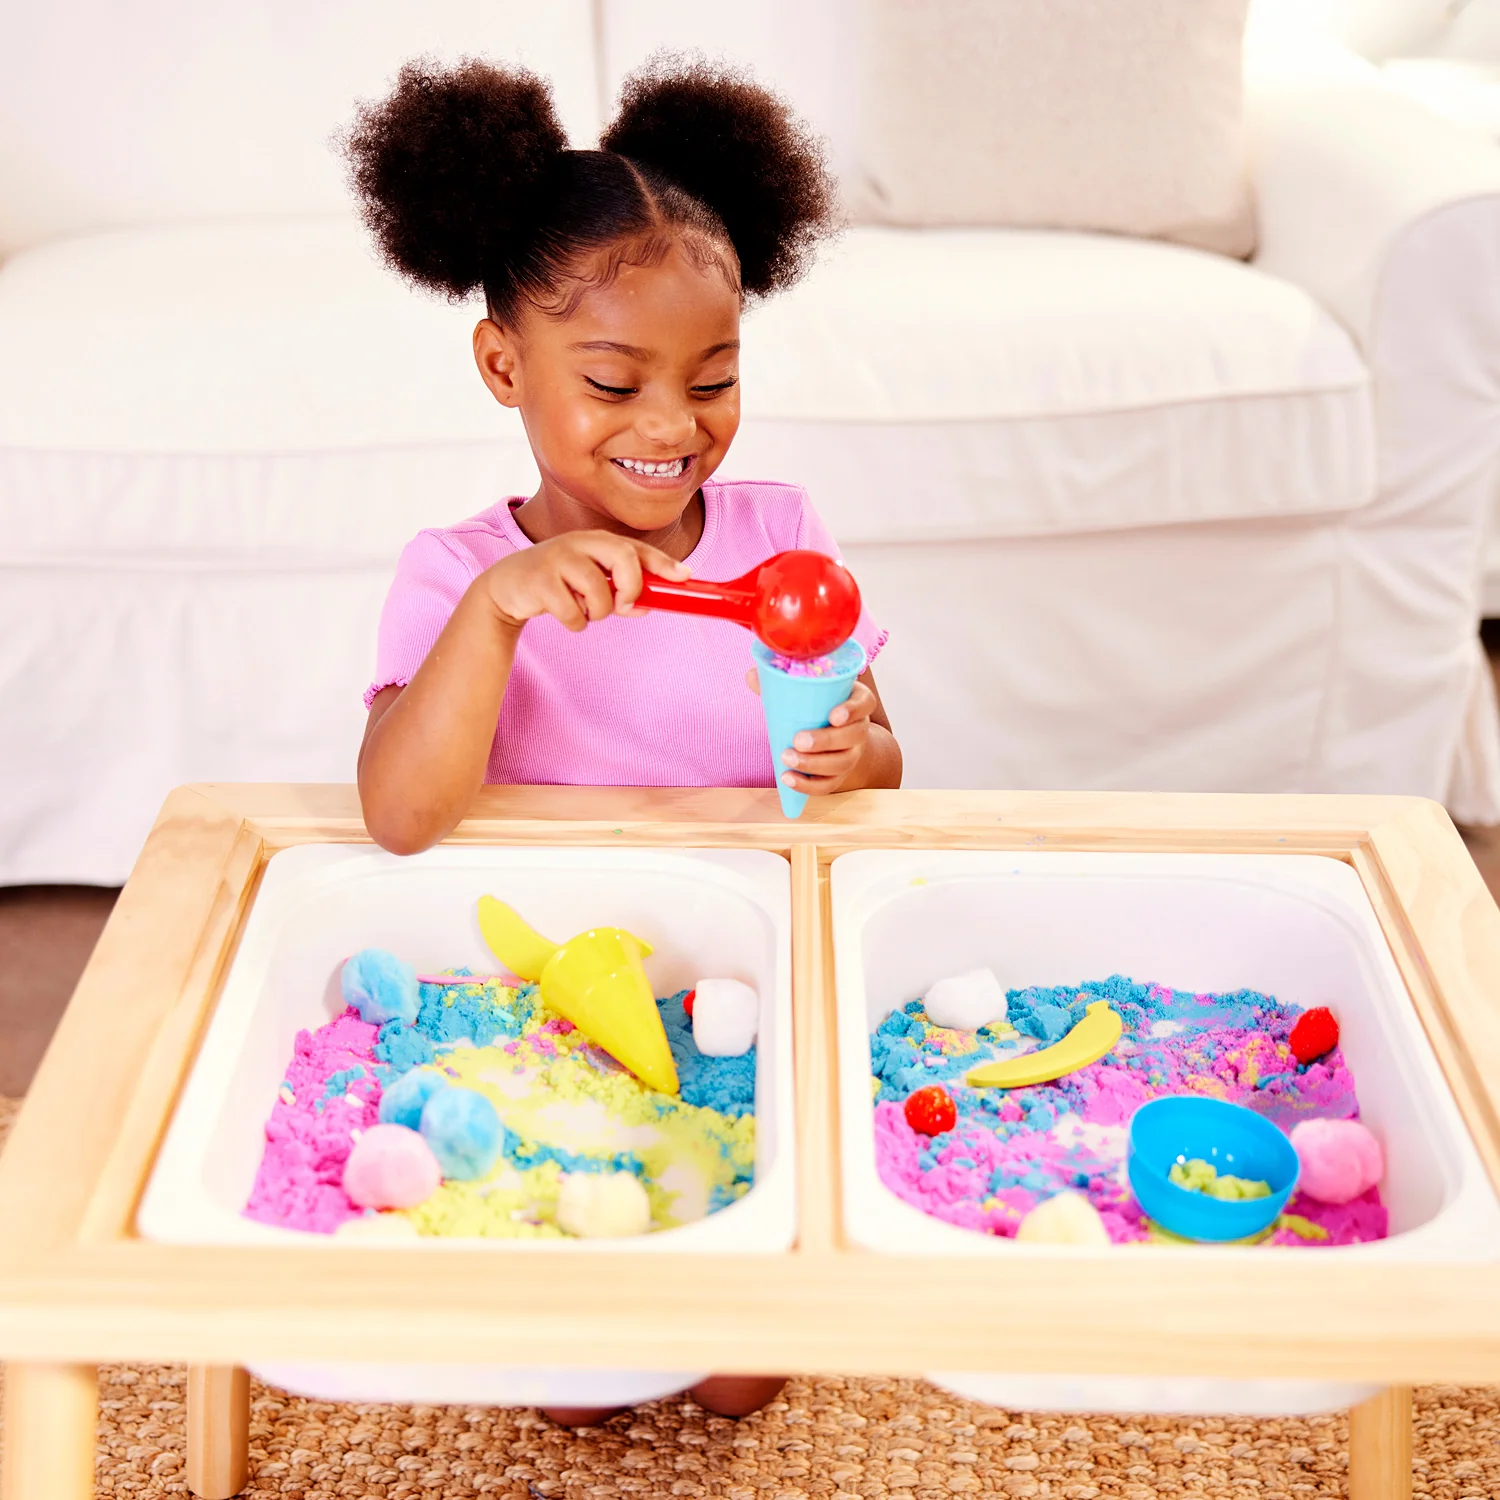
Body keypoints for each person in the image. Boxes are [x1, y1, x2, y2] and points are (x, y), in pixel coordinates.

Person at [344, 54, 903, 1423]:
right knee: (577, 1392)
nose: (672, 427)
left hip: (741, 967)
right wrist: (498, 613)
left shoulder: (782, 535)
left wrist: (858, 756)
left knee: (738, 1382)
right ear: (503, 365)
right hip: (539, 988)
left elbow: (879, 759)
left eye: (714, 380)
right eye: (613, 381)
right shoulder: (453, 575)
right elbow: (402, 815)